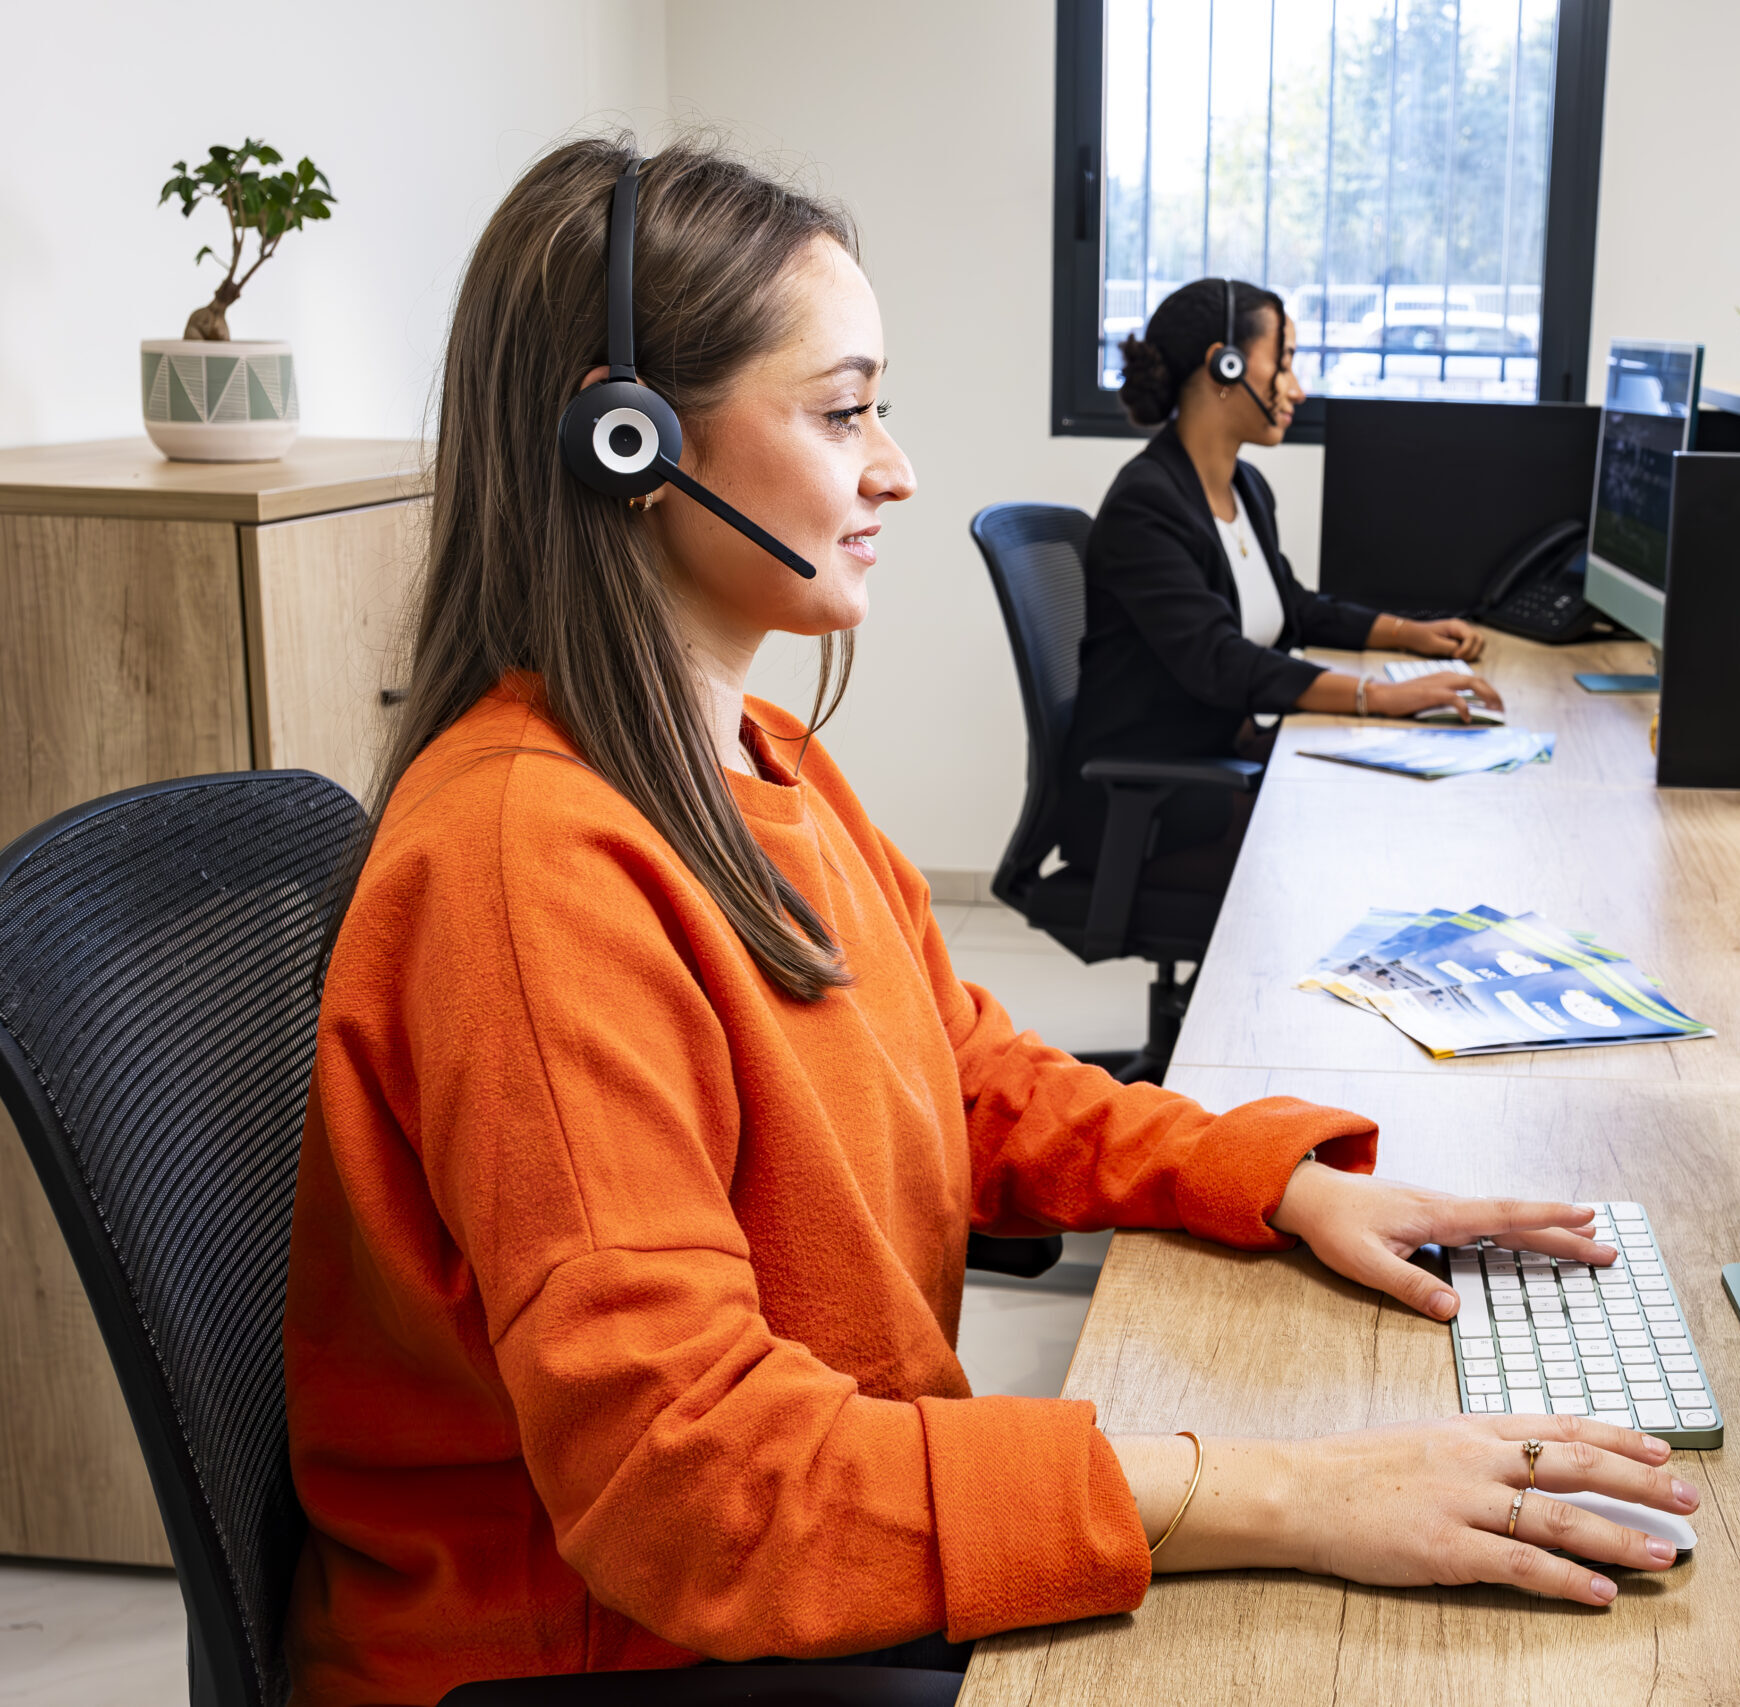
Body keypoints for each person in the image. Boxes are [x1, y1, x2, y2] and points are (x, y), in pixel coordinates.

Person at [283, 142, 1699, 1707]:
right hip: (610, 1649)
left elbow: (959, 1070)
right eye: (842, 411)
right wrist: (1289, 1488)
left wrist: (1278, 1181)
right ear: (628, 441)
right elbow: (700, 1491)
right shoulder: (523, 868)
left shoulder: (760, 759)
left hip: (810, 1568)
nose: (894, 468)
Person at [1060, 278, 1503, 888]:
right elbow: (1220, 661)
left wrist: (1412, 635)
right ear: (1227, 364)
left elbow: (1292, 609)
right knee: (1354, 851)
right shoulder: (1148, 506)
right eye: (1286, 362)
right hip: (1154, 807)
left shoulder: (1245, 490)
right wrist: (1377, 695)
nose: (1296, 387)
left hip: (1220, 768)